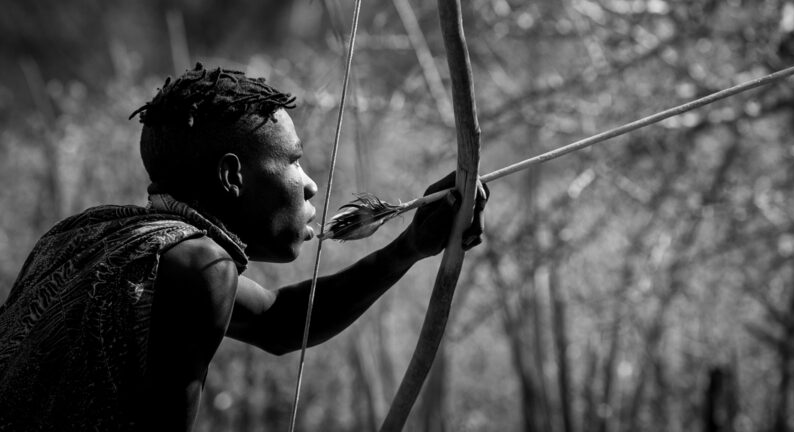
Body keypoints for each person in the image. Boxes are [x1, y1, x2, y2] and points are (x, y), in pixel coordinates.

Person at [0, 64, 488, 432]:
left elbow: (278, 320)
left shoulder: (86, 232)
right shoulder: (194, 267)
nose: (311, 185)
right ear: (233, 177)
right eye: (293, 162)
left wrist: (411, 245)